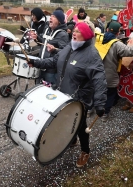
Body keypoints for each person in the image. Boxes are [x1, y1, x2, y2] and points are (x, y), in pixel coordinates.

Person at [27, 22, 107, 168]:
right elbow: (54, 61)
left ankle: (85, 151)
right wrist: (36, 63)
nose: (74, 33)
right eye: (74, 31)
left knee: (81, 125)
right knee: (67, 120)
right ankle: (72, 138)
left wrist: (100, 103)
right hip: (63, 94)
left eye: (78, 31)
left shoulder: (92, 55)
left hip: (79, 98)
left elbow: (100, 80)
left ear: (86, 36)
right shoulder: (69, 47)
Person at [98, 21, 133, 120]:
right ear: (118, 33)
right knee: (110, 94)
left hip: (96, 75)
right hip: (110, 77)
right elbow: (132, 51)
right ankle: (105, 113)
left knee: (97, 92)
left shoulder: (97, 39)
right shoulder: (117, 45)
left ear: (106, 29)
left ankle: (91, 109)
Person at [30, 10, 69, 84]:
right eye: (51, 16)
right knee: (38, 89)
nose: (51, 17)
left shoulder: (63, 34)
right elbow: (44, 42)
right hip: (41, 66)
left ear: (59, 21)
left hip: (51, 71)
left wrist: (54, 50)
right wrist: (37, 38)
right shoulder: (47, 29)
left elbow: (64, 53)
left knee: (48, 92)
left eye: (54, 17)